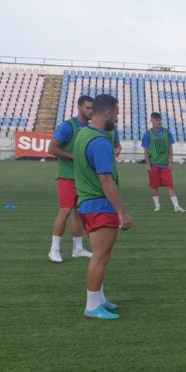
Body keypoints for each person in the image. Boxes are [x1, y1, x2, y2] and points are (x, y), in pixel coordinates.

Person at [73, 94, 132, 320]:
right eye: (116, 113)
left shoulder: (83, 134)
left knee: (103, 255)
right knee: (100, 255)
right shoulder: (99, 141)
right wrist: (121, 211)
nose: (116, 118)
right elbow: (105, 179)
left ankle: (99, 299)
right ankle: (91, 305)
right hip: (99, 204)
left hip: (88, 202)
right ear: (107, 113)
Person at [46, 95, 95, 263]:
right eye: (88, 108)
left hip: (83, 178)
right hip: (67, 177)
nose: (91, 111)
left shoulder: (90, 129)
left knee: (80, 213)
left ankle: (78, 248)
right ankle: (54, 249)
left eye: (92, 108)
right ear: (80, 107)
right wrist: (74, 156)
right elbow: (52, 148)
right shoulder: (67, 126)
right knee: (65, 211)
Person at [142, 112, 185, 213]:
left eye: (159, 120)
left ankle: (176, 206)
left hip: (165, 164)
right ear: (151, 120)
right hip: (154, 164)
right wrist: (147, 164)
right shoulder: (147, 134)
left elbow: (170, 147)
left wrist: (171, 161)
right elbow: (146, 150)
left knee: (170, 185)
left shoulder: (167, 132)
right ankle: (157, 206)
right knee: (154, 186)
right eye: (156, 120)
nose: (158, 122)